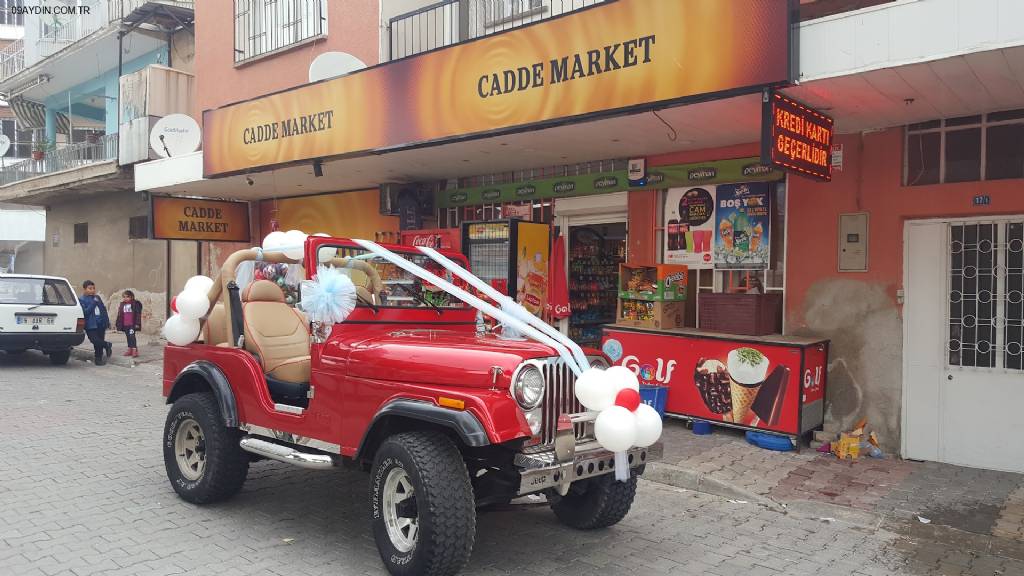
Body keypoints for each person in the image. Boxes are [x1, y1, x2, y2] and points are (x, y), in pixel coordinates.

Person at [79, 280, 112, 365]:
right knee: (94, 340)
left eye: (93, 288)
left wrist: (107, 321)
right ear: (84, 289)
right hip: (91, 324)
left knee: (99, 341)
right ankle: (107, 345)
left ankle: (98, 359)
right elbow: (85, 312)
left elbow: (103, 309)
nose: (92, 290)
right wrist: (94, 302)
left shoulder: (97, 297)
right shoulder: (81, 299)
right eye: (90, 288)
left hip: (101, 322)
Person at [115, 290, 143, 357]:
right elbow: (120, 315)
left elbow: (138, 314)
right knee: (128, 337)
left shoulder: (135, 304)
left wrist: (137, 323)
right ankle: (129, 349)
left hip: (132, 324)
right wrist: (118, 323)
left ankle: (134, 350)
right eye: (124, 297)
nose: (125, 298)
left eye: (127, 297)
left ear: (131, 297)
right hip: (125, 324)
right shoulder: (122, 304)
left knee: (132, 336)